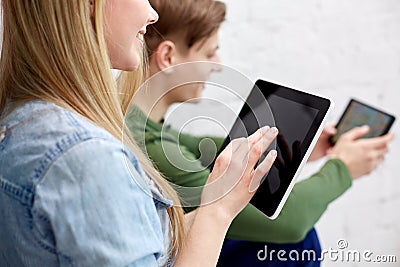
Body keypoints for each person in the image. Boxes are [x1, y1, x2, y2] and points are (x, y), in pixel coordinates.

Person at [0, 1, 280, 266]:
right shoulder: (86, 158)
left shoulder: (23, 118)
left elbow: (141, 233)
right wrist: (217, 211)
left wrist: (215, 202)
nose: (152, 14)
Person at [123, 0, 395, 266]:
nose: (218, 64)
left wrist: (298, 149)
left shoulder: (141, 125)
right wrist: (342, 168)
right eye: (209, 53)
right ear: (168, 57)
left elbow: (198, 146)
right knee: (296, 243)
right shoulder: (153, 149)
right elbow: (286, 222)